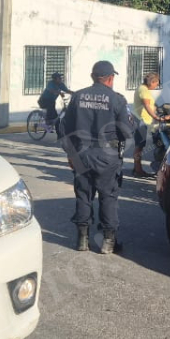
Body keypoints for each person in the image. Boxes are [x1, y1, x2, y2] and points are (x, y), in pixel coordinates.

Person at [61, 61, 134, 254]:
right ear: (110, 78)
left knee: (83, 195)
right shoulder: (117, 99)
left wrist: (70, 154)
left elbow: (64, 129)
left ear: (93, 77)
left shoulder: (77, 97)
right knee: (108, 197)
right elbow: (127, 132)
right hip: (107, 155)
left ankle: (82, 240)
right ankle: (108, 243)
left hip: (80, 154)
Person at [131, 72, 167, 178]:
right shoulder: (143, 90)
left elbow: (151, 105)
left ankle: (137, 169)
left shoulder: (144, 89)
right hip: (141, 121)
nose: (156, 86)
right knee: (140, 146)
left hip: (144, 121)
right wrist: (157, 118)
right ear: (152, 82)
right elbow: (146, 105)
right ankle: (138, 170)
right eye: (157, 83)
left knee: (140, 146)